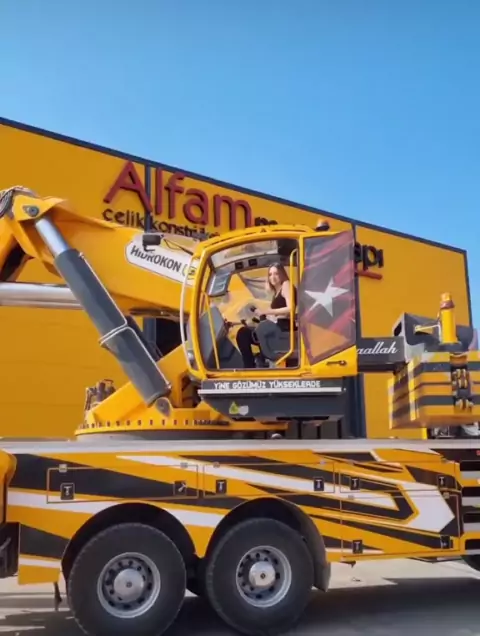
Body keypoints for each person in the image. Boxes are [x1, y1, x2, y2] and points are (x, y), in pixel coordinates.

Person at [236, 263, 297, 368]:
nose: (273, 277)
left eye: (276, 273)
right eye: (270, 274)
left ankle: (249, 367)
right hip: (276, 327)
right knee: (247, 331)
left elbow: (290, 308)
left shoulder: (286, 285)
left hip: (283, 329)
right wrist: (264, 314)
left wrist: (267, 312)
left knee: (243, 334)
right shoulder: (276, 292)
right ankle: (259, 362)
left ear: (282, 274)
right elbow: (275, 313)